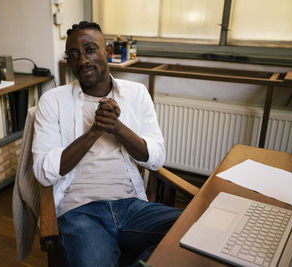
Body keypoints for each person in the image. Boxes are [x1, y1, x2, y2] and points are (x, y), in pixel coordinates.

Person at [32, 21, 181, 267]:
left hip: (131, 207)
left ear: (108, 51)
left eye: (90, 49)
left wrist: (117, 128)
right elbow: (43, 173)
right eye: (74, 55)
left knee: (191, 231)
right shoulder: (52, 101)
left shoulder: (136, 94)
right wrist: (94, 132)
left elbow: (156, 158)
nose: (82, 60)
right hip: (81, 212)